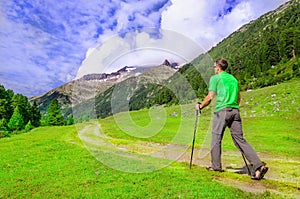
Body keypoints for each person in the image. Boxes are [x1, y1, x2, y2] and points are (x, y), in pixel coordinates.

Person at [196, 58, 268, 180]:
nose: (214, 69)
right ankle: (258, 165)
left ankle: (216, 166)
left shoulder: (215, 78)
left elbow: (210, 96)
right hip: (235, 111)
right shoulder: (233, 79)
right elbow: (239, 98)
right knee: (239, 139)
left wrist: (200, 106)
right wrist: (232, 107)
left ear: (218, 68)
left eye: (214, 67)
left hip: (222, 111)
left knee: (216, 138)